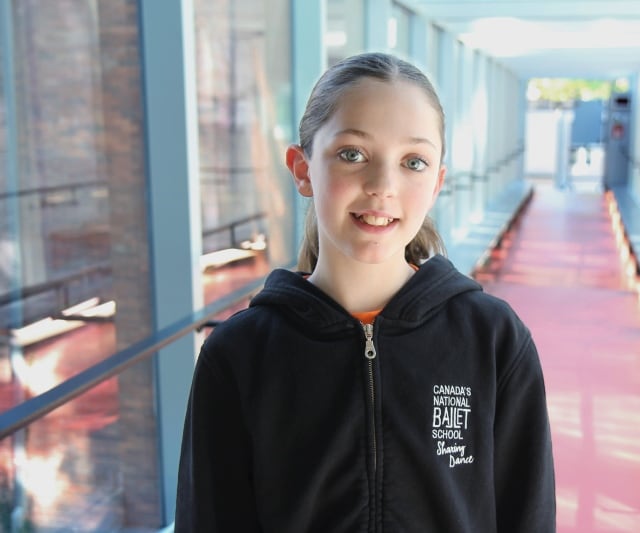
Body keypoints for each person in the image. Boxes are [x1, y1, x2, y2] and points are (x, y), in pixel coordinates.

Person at [174, 51, 555, 532]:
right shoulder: (240, 354)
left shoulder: (493, 338)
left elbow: (528, 517)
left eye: (413, 162)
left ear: (437, 182)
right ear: (302, 169)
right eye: (352, 154)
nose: (383, 186)